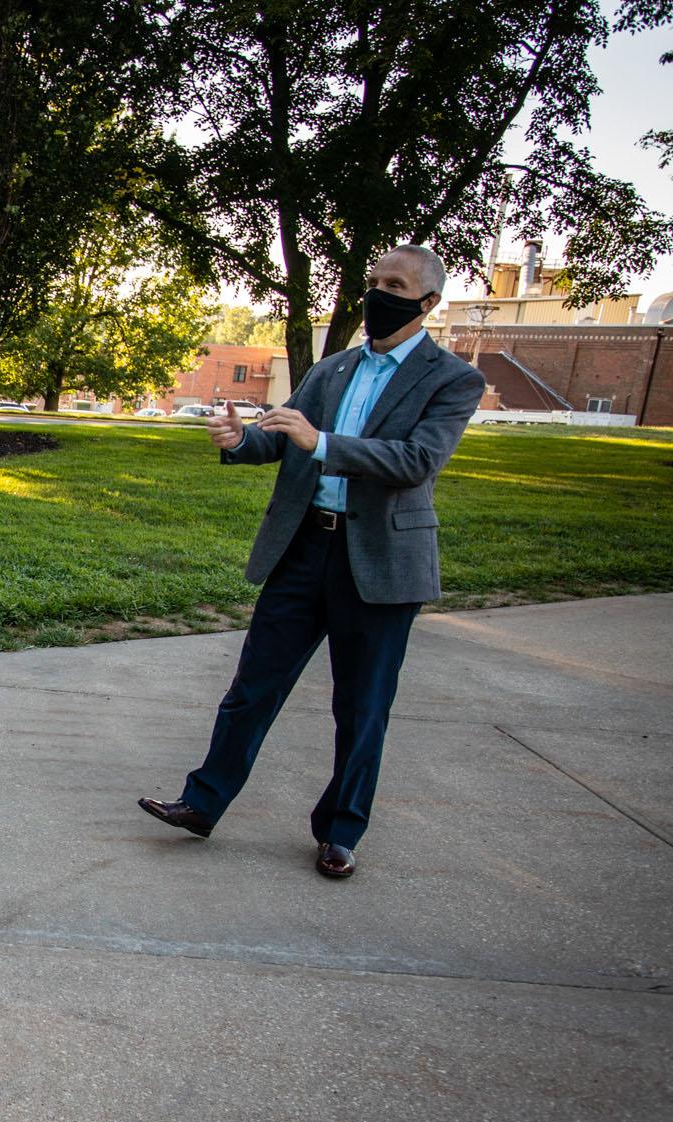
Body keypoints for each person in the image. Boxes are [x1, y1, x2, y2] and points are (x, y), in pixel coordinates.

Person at [137, 244, 486, 879]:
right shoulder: (333, 370)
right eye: (374, 280)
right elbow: (282, 442)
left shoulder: (453, 380)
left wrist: (319, 440)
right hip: (303, 549)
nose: (377, 292)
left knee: (361, 706)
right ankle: (202, 803)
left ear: (428, 303)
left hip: (379, 561)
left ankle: (340, 832)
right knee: (251, 689)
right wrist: (242, 438)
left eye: (394, 284)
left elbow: (417, 463)